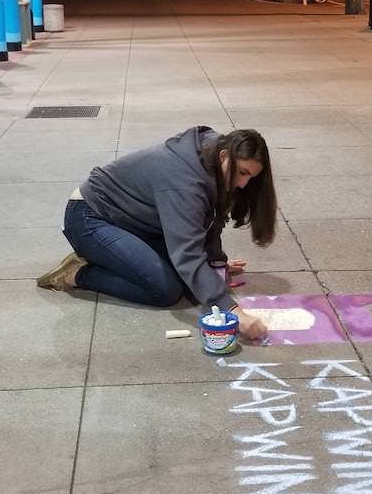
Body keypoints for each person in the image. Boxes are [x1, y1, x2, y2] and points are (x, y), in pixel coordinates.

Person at [37, 126, 276, 341]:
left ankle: (114, 256)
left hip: (133, 221)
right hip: (89, 218)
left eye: (250, 177)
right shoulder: (184, 180)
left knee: (191, 278)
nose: (244, 184)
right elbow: (187, 253)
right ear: (225, 156)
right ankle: (78, 273)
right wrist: (231, 310)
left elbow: (209, 219)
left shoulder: (212, 153)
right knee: (164, 289)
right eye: (243, 172)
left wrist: (215, 263)